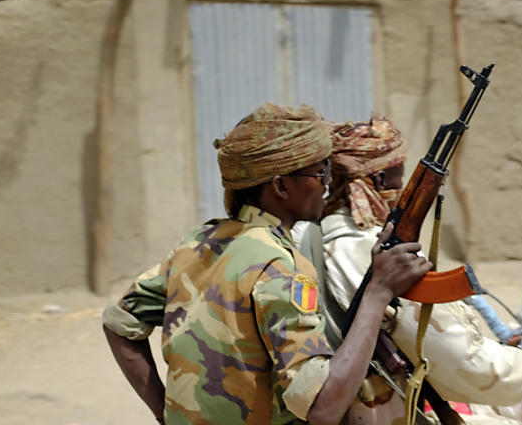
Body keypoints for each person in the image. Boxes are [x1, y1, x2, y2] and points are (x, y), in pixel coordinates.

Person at [100, 103, 430, 425]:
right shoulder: (281, 266)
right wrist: (378, 293)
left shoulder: (196, 242)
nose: (327, 183)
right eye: (320, 171)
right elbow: (323, 407)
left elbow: (119, 324)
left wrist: (165, 413)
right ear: (281, 186)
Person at [295, 114, 522, 425]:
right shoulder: (371, 252)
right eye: (399, 175)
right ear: (379, 180)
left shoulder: (315, 235)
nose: (402, 186)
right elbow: (469, 365)